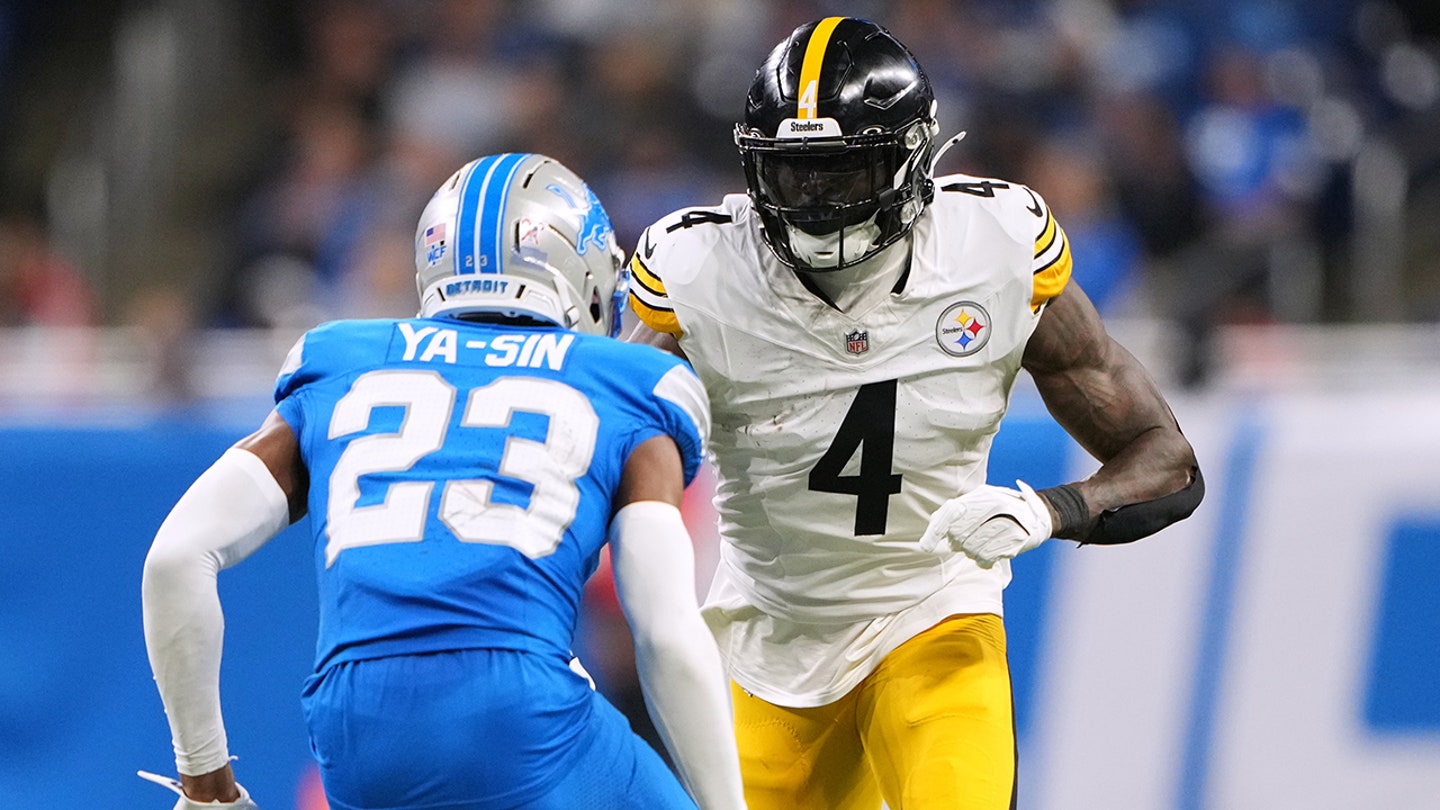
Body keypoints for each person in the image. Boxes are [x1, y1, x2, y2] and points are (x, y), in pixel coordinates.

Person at [626, 17, 1203, 810]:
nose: (818, 202)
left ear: (911, 159)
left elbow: (1165, 460)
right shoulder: (699, 271)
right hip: (769, 636)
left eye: (844, 171)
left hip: (932, 611)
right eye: (796, 174)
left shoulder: (992, 247)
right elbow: (602, 447)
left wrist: (1050, 511)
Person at [141, 153, 746, 810]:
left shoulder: (342, 361)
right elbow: (664, 631)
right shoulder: (629, 383)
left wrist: (206, 785)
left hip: (352, 726)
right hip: (517, 707)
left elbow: (175, 557)